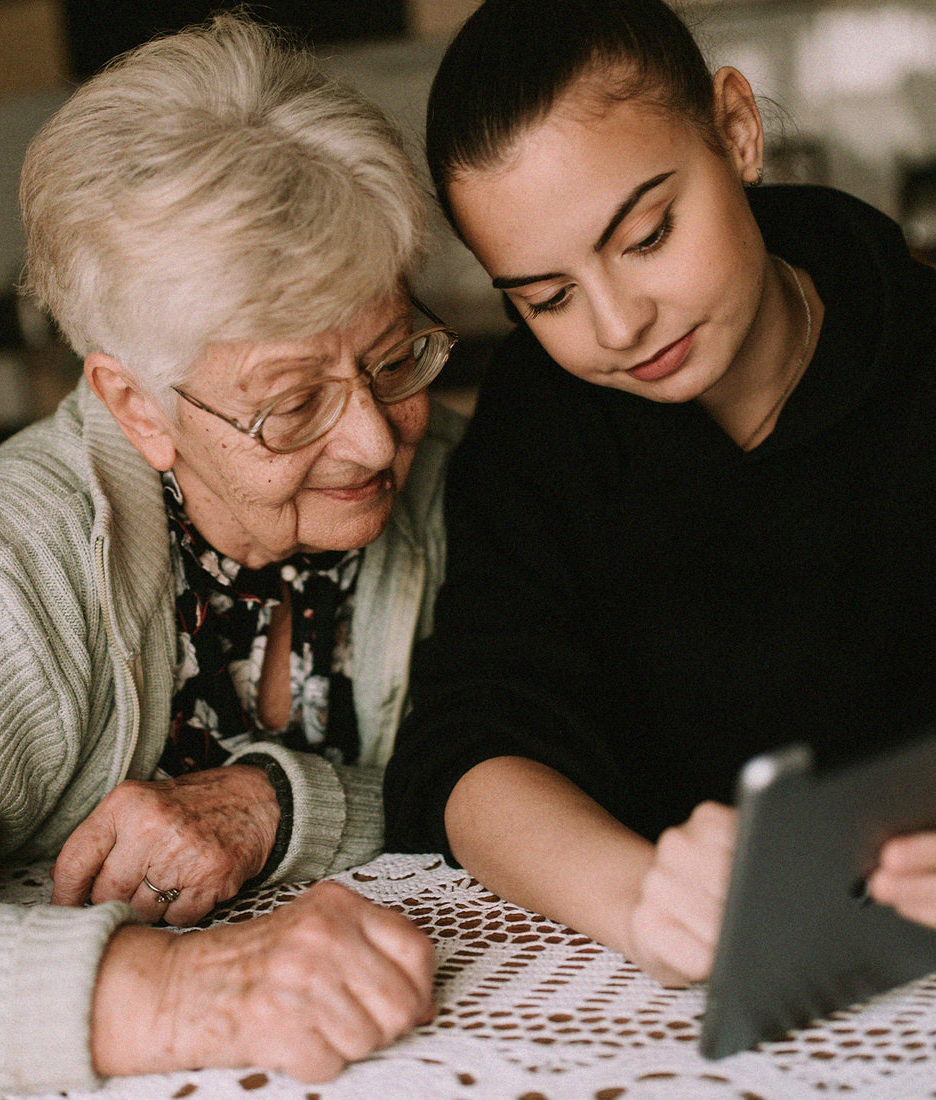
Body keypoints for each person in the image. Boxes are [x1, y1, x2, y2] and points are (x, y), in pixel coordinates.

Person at [0, 14, 466, 1096]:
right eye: (292, 401)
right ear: (137, 405)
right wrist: (172, 994)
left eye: (392, 351)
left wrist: (280, 807)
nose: (373, 438)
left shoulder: (453, 478)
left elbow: (542, 762)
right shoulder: (23, 569)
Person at [384, 0, 936, 990]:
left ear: (734, 128)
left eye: (644, 235)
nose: (617, 323)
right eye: (544, 297)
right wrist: (638, 895)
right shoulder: (539, 423)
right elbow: (468, 744)